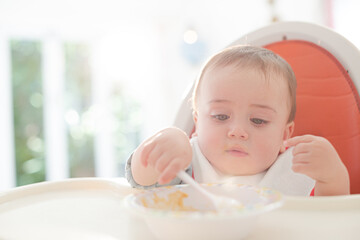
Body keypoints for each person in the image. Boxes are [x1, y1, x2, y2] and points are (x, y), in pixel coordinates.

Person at [126, 45, 350, 196]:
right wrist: (163, 144)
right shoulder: (188, 163)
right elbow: (141, 183)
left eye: (259, 121)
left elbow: (331, 216)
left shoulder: (294, 170)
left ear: (284, 135)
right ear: (197, 123)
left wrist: (332, 176)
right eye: (221, 116)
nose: (237, 131)